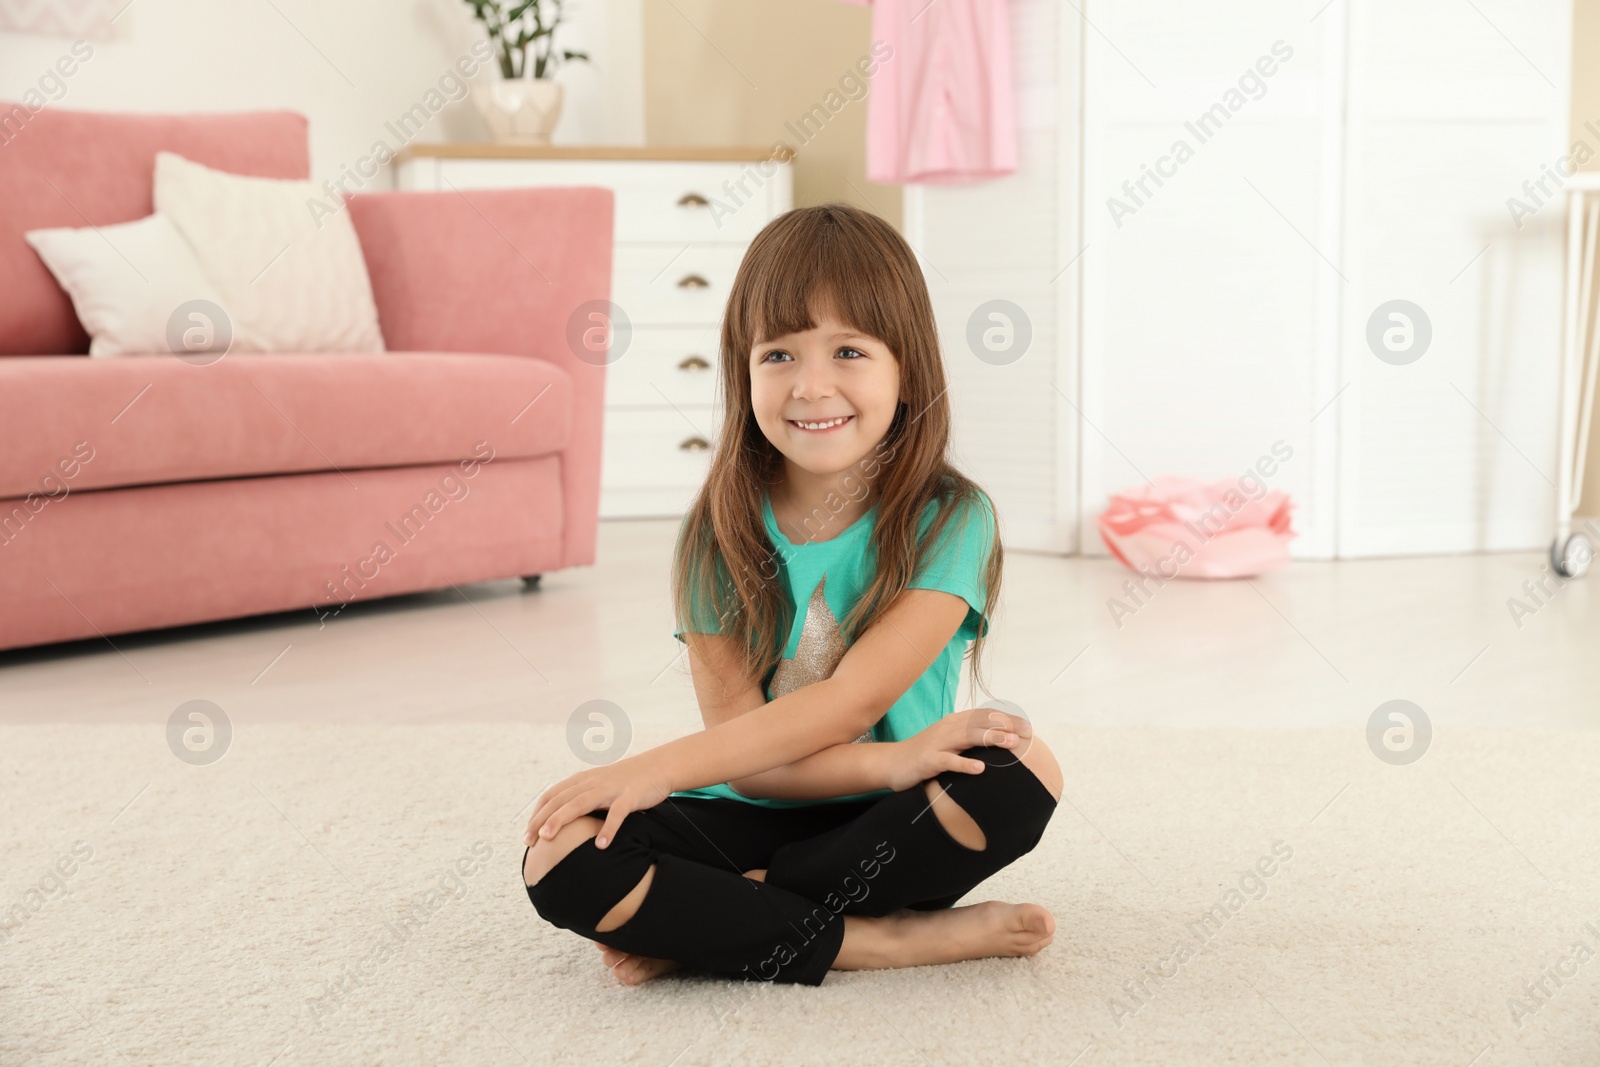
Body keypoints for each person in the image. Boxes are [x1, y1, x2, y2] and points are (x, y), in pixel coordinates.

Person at [520, 201, 1063, 986]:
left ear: (906, 368)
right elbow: (752, 765)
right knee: (561, 853)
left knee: (1022, 769)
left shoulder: (952, 517)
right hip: (754, 810)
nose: (812, 386)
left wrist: (654, 767)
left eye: (848, 350)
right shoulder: (715, 534)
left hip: (890, 825)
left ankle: (722, 921)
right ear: (743, 371)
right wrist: (647, 787)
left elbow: (846, 703)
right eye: (778, 355)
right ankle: (884, 941)